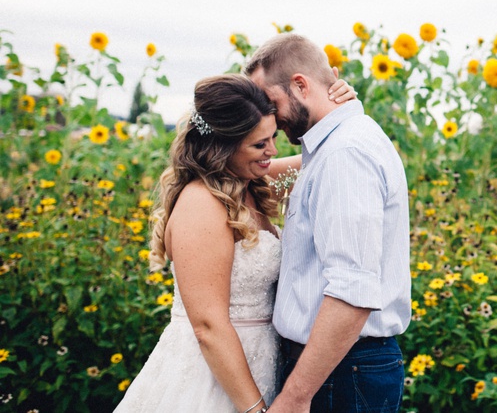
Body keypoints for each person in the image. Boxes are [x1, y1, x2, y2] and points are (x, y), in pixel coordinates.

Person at [115, 73, 353, 413]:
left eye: (272, 137)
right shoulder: (200, 203)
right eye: (259, 144)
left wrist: (341, 108)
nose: (272, 151)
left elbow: (326, 159)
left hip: (261, 364)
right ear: (222, 146)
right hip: (212, 378)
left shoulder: (251, 182)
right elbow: (208, 326)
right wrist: (254, 409)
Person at [244, 33, 411, 413]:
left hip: (341, 371)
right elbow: (257, 172)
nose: (266, 119)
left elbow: (353, 290)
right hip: (338, 366)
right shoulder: (333, 146)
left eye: (270, 104)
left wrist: (295, 398)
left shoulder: (345, 154)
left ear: (300, 85)